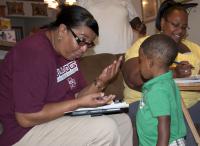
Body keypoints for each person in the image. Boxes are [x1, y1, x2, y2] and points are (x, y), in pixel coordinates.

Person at [0, 5, 133, 146]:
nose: (83, 49)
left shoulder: (67, 54)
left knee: (122, 121)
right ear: (62, 30)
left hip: (55, 120)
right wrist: (78, 104)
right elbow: (26, 117)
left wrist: (100, 82)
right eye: (81, 40)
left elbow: (77, 96)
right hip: (24, 133)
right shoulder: (33, 53)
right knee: (104, 129)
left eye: (88, 44)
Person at [122, 0, 200, 145]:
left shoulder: (194, 47)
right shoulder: (148, 44)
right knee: (180, 132)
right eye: (175, 25)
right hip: (151, 103)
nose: (180, 30)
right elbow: (133, 78)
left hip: (196, 103)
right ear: (162, 22)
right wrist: (174, 72)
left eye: (184, 27)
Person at [137, 34, 186, 146]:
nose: (139, 65)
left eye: (140, 61)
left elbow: (164, 122)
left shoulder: (157, 89)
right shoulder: (166, 82)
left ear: (150, 62)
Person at [77, 0, 146, 55]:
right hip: (97, 57)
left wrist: (140, 27)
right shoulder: (82, 1)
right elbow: (77, 29)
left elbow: (138, 25)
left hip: (125, 55)